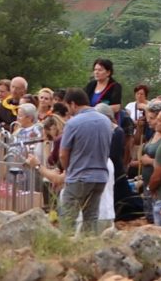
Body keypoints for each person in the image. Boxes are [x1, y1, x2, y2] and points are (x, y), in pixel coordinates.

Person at [59, 88, 112, 234]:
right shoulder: (106, 121)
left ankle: (65, 251)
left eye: (68, 107)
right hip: (100, 176)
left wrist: (67, 169)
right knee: (91, 218)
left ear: (73, 104)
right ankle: (89, 251)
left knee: (68, 219)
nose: (68, 111)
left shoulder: (73, 123)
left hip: (79, 176)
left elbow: (63, 154)